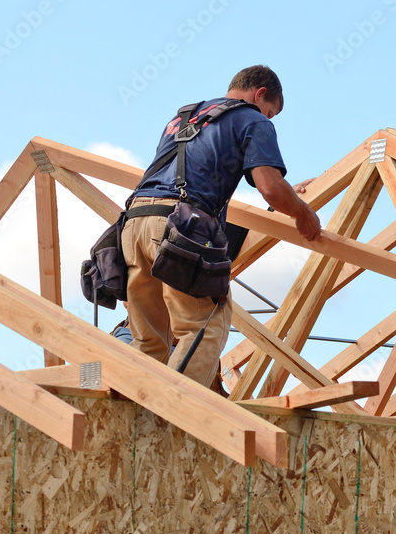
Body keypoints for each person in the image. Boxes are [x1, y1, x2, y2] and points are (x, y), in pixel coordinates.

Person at [121, 65, 321, 392]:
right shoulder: (252, 119)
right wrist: (302, 214)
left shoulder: (185, 117)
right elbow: (269, 186)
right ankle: (173, 413)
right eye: (270, 112)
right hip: (181, 226)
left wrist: (281, 201)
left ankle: (138, 414)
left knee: (151, 338)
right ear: (260, 94)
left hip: (135, 223)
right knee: (205, 326)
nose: (268, 119)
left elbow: (196, 175)